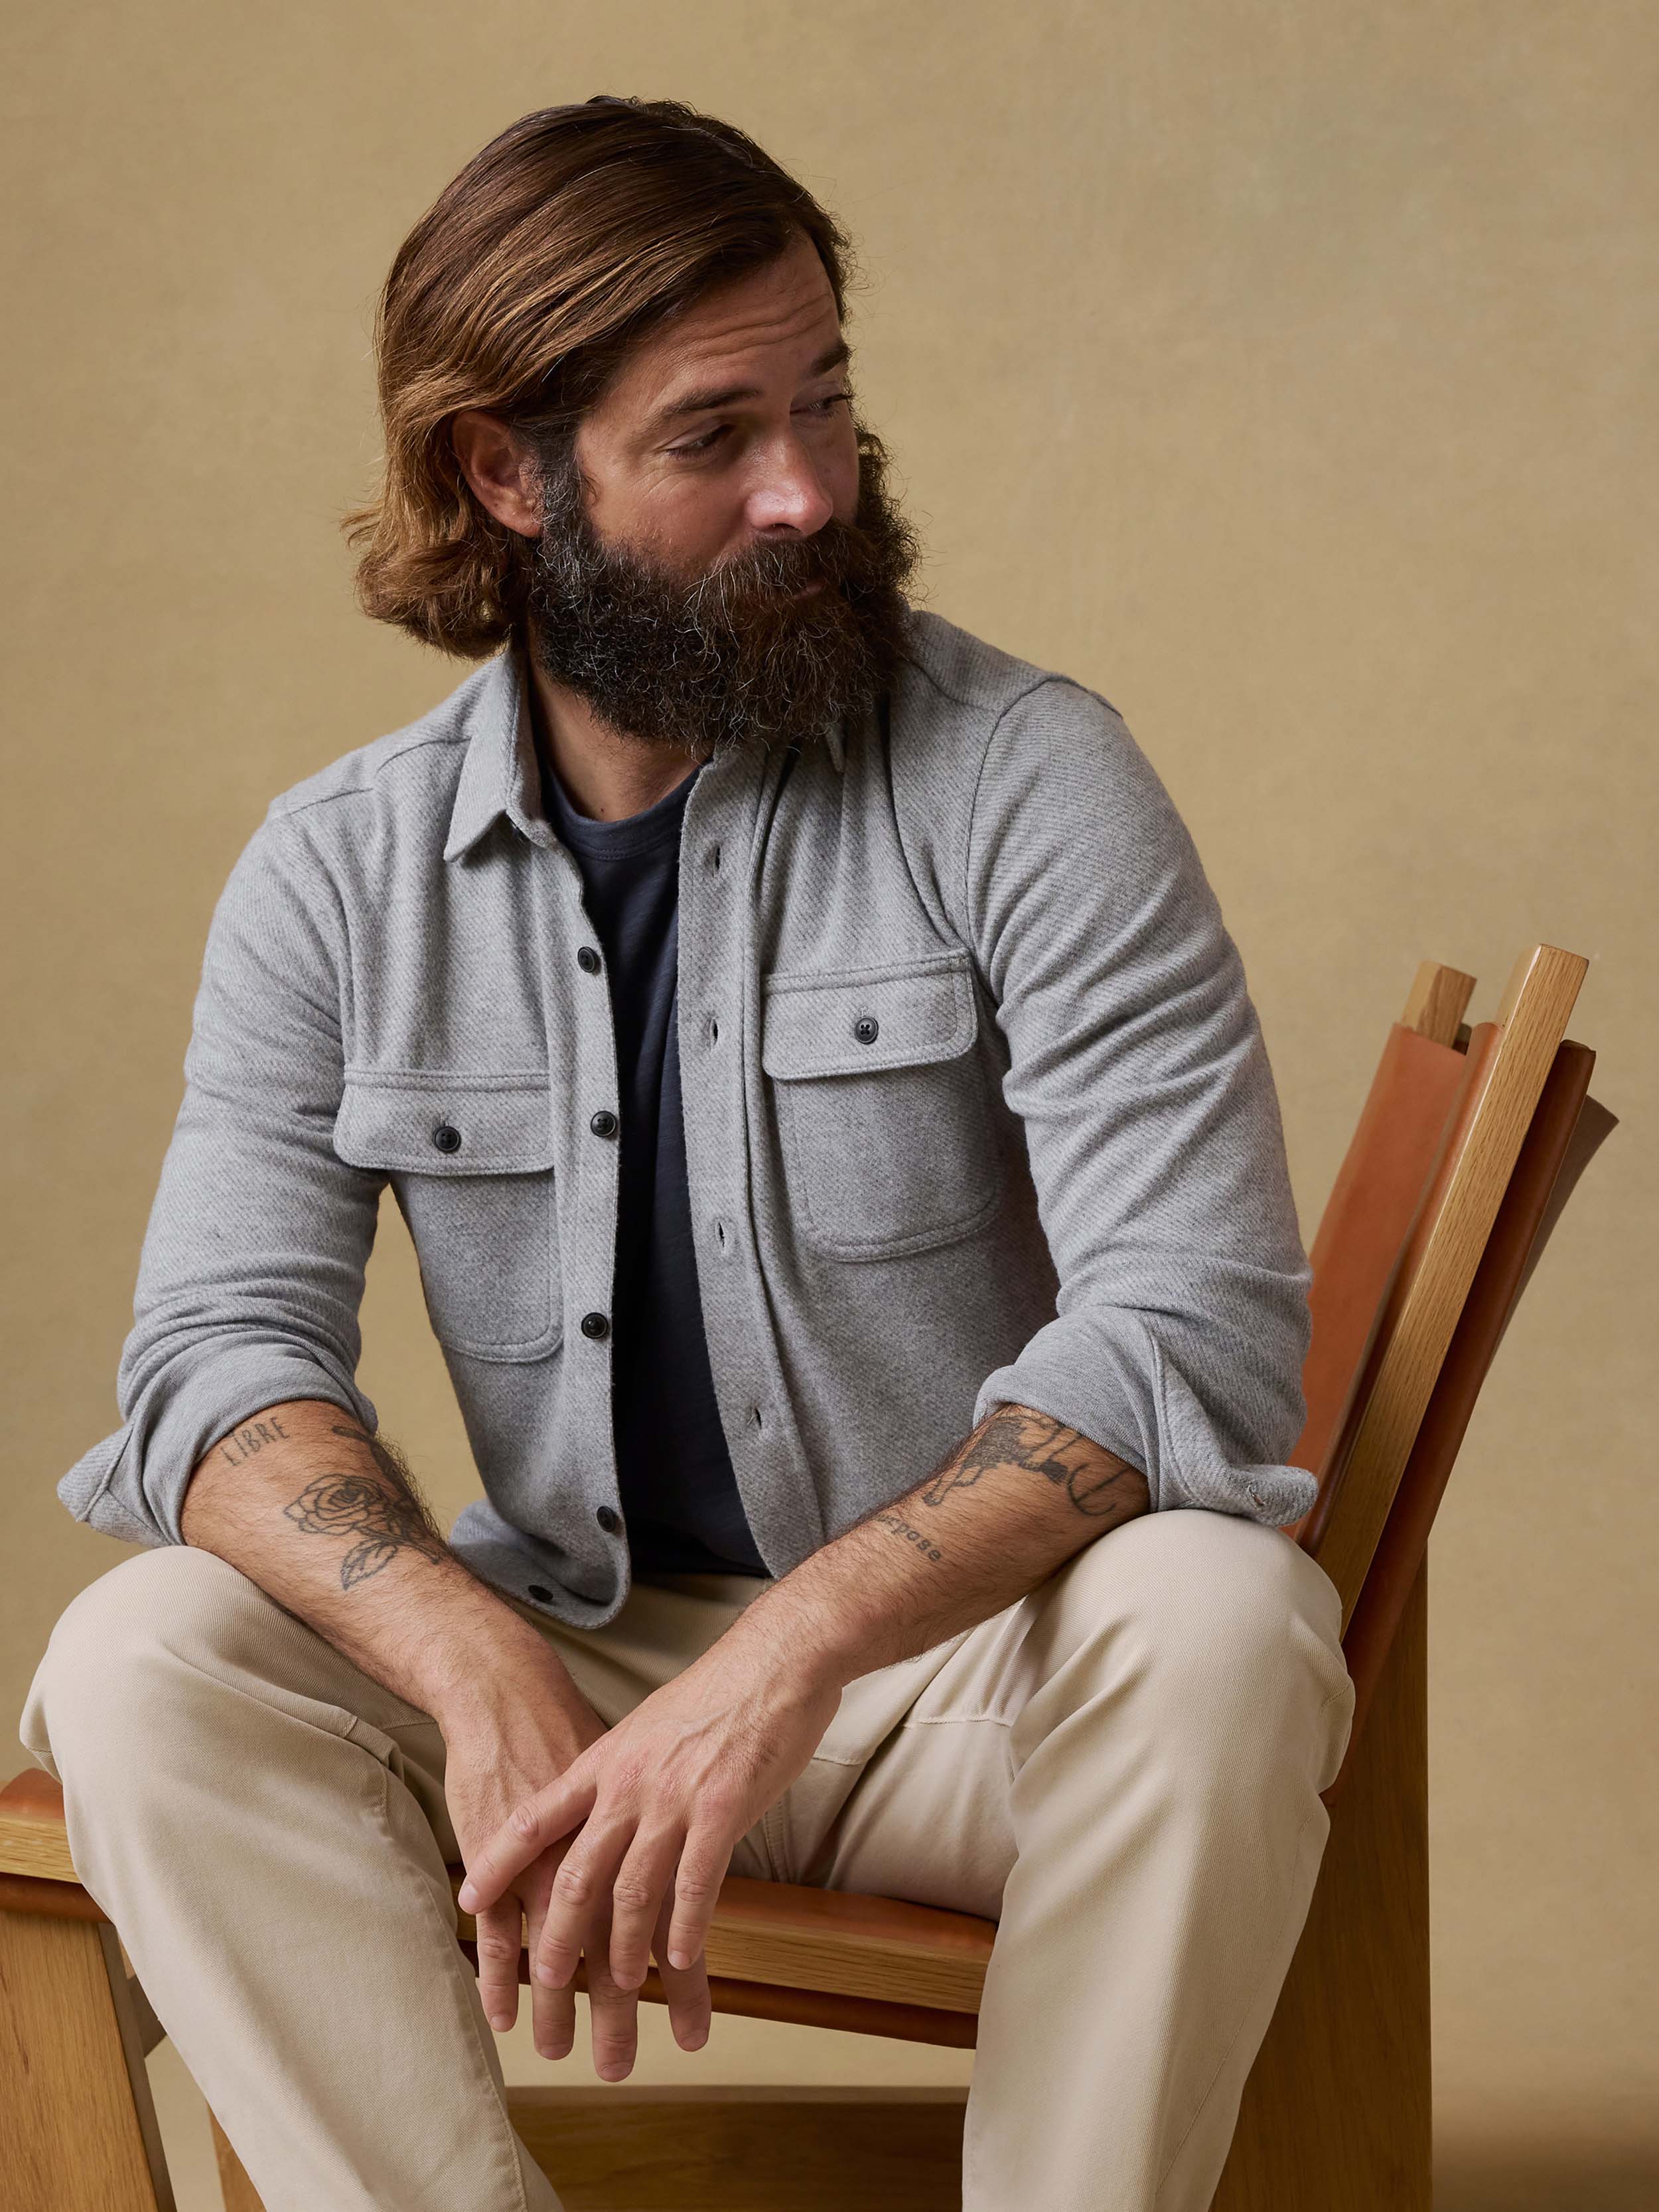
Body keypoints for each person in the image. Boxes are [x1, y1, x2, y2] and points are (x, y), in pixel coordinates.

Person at [21, 96, 1353, 2212]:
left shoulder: (1028, 781)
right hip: (569, 1662)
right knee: (138, 1659)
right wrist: (476, 1671)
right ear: (503, 472)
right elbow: (211, 1362)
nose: (808, 487)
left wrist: (783, 1667)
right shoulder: (334, 878)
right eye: (710, 436)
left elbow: (1188, 1322)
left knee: (1219, 1621)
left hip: (957, 1689)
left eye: (824, 398)